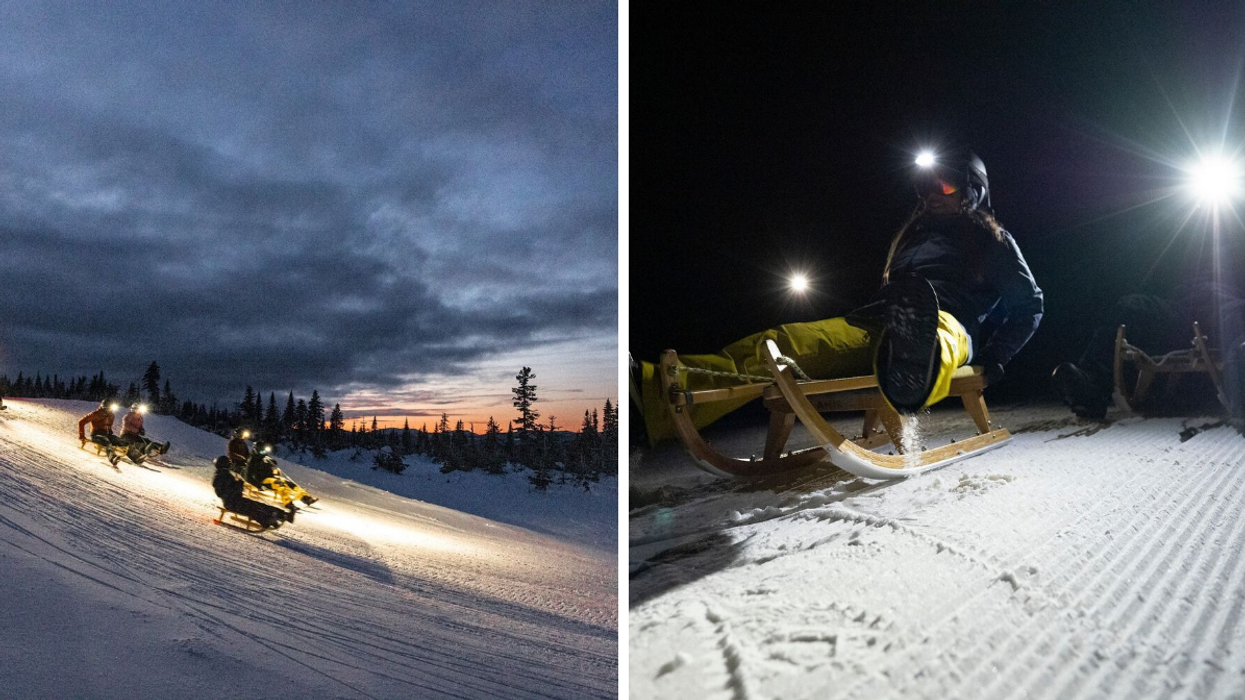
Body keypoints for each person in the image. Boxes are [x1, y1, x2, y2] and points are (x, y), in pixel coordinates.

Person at [633, 149, 1044, 443]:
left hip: (951, 321)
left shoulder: (990, 240)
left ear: (973, 190)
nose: (933, 191)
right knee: (782, 343)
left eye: (946, 182)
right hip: (877, 321)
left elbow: (1030, 304)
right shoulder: (910, 237)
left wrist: (995, 359)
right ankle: (656, 388)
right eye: (925, 183)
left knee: (936, 335)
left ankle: (914, 370)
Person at [1053, 282, 1245, 419]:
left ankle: (1241, 382)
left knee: (1237, 314)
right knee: (1133, 303)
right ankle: (1091, 386)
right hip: (1184, 311)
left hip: (1229, 306)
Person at [212, 456, 293, 529]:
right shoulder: (218, 478)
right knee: (252, 508)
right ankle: (267, 520)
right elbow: (222, 493)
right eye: (228, 464)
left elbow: (233, 487)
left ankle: (281, 514)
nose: (229, 465)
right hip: (231, 503)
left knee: (258, 504)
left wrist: (238, 485)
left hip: (237, 500)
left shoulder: (226, 475)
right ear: (223, 465)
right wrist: (238, 486)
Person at [78, 399, 123, 465]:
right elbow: (81, 422)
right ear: (103, 407)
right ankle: (112, 457)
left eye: (110, 409)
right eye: (108, 409)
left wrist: (109, 430)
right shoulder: (95, 414)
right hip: (96, 435)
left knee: (119, 440)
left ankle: (136, 457)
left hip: (106, 434)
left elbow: (109, 425)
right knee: (106, 441)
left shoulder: (111, 415)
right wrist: (81, 435)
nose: (109, 411)